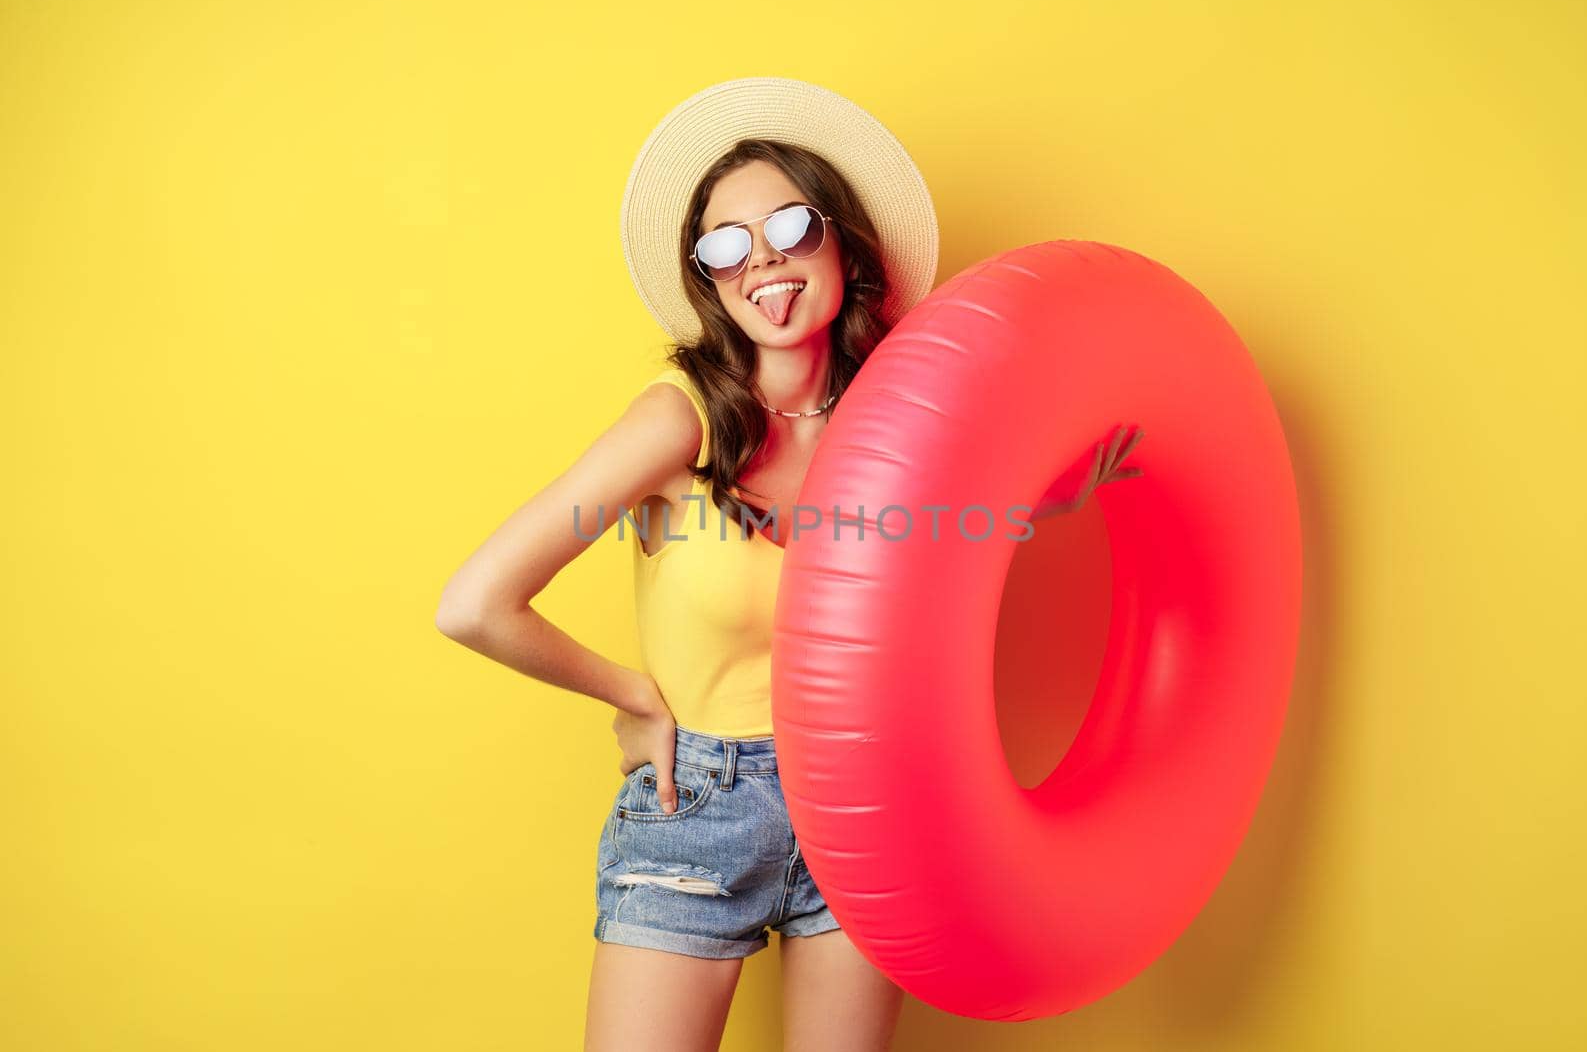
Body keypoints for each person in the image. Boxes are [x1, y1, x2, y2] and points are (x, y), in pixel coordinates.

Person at [436, 78, 1142, 1050]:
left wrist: (1053, 492)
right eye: (725, 244)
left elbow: (946, 534)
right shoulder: (677, 418)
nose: (760, 258)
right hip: (701, 807)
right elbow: (475, 601)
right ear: (709, 279)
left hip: (871, 799)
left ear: (841, 243)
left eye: (788, 225)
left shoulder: (892, 415)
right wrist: (634, 696)